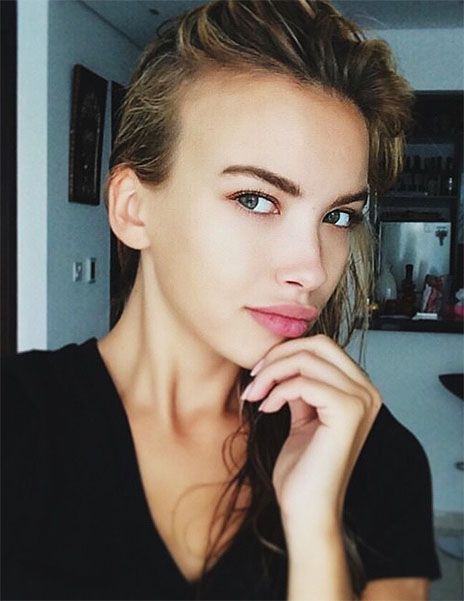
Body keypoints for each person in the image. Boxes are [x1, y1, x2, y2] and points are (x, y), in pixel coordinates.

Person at [2, 1, 441, 599]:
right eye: (255, 199)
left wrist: (315, 530)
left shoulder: (372, 455)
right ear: (134, 209)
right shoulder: (18, 427)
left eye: (339, 215)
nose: (311, 269)